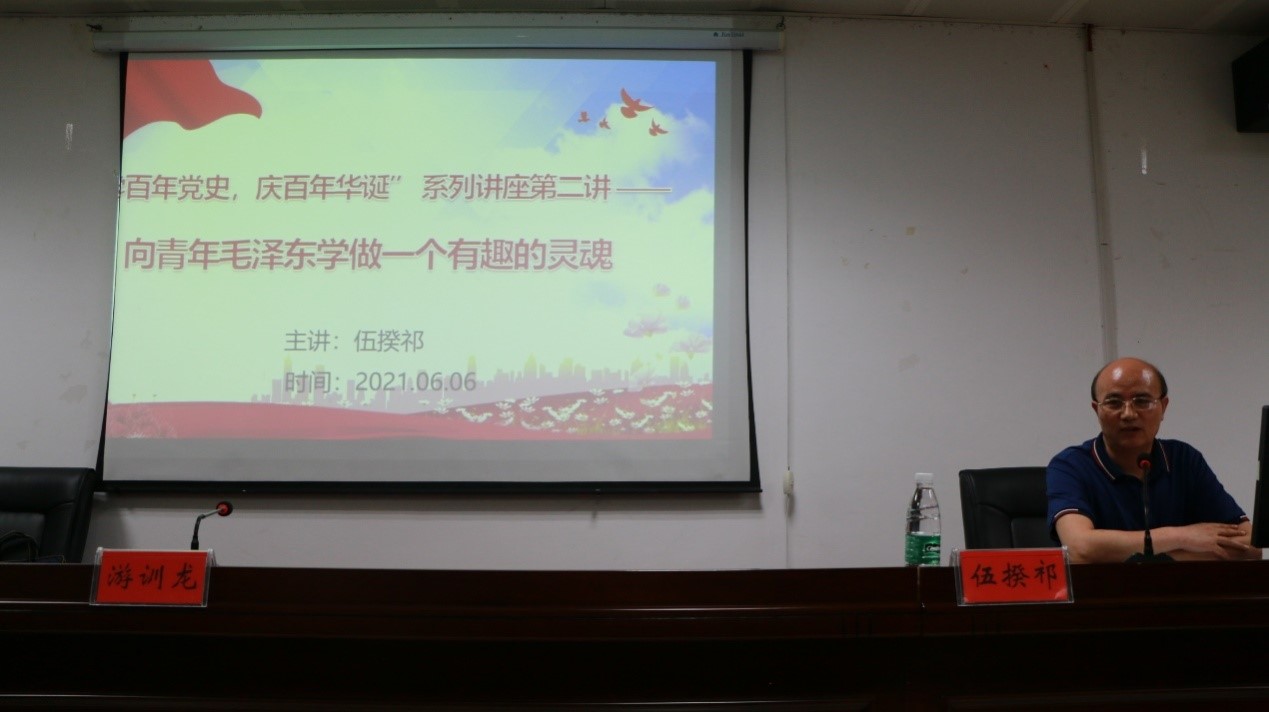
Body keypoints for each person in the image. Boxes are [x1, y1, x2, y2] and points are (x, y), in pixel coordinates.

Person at [1047, 357, 1261, 563]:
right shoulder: (1070, 465)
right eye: (1114, 403)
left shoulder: (1184, 459)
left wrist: (1158, 559)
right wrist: (1182, 537)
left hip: (1179, 588)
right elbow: (1080, 549)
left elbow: (1251, 545)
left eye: (1142, 401)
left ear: (1163, 407)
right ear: (1097, 410)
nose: (1128, 414)